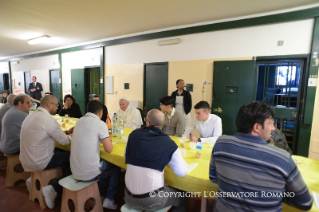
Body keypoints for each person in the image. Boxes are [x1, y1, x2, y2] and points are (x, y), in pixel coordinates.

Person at [209, 101, 313, 212]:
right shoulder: (283, 159)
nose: (273, 128)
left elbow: (214, 178)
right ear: (257, 127)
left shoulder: (220, 144)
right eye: (271, 123)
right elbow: (305, 203)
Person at [124, 109, 188, 211]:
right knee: (183, 196)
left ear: (147, 122)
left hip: (128, 196)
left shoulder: (133, 135)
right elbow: (181, 172)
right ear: (163, 124)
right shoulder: (169, 143)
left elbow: (125, 155)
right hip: (151, 199)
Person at [20, 95, 74, 209]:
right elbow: (65, 141)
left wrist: (65, 133)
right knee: (75, 160)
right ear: (49, 105)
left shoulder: (31, 115)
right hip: (40, 161)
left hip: (26, 159)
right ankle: (54, 189)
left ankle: (32, 178)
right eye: (56, 105)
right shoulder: (48, 119)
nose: (57, 107)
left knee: (59, 150)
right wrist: (72, 135)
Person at [70, 100, 121, 210]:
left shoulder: (79, 121)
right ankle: (109, 198)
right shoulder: (100, 124)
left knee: (104, 165)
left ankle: (100, 195)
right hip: (89, 174)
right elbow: (109, 149)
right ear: (100, 112)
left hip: (74, 170)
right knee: (115, 165)